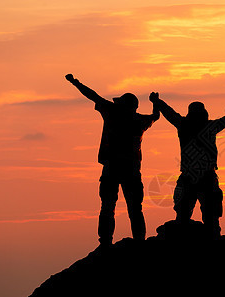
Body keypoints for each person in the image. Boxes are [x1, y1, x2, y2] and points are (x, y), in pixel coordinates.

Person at [65, 74, 159, 245]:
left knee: (108, 207)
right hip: (131, 170)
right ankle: (139, 241)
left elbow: (91, 95)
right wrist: (155, 103)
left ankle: (106, 242)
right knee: (134, 209)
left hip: (112, 168)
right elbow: (155, 117)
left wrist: (75, 82)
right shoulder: (140, 120)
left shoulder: (112, 112)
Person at [149, 92, 225, 237]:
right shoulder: (208, 126)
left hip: (194, 177)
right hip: (201, 177)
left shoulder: (185, 125)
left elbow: (169, 113)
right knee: (201, 217)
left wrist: (157, 101)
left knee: (189, 216)